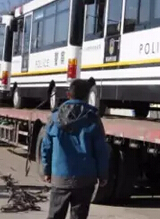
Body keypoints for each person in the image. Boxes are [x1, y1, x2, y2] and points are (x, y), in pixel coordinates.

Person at [41, 79, 109, 219]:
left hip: (60, 177)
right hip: (85, 179)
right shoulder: (93, 118)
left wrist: (46, 170)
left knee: (55, 215)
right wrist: (102, 174)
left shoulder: (55, 118)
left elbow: (46, 146)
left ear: (68, 94)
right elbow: (101, 150)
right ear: (86, 97)